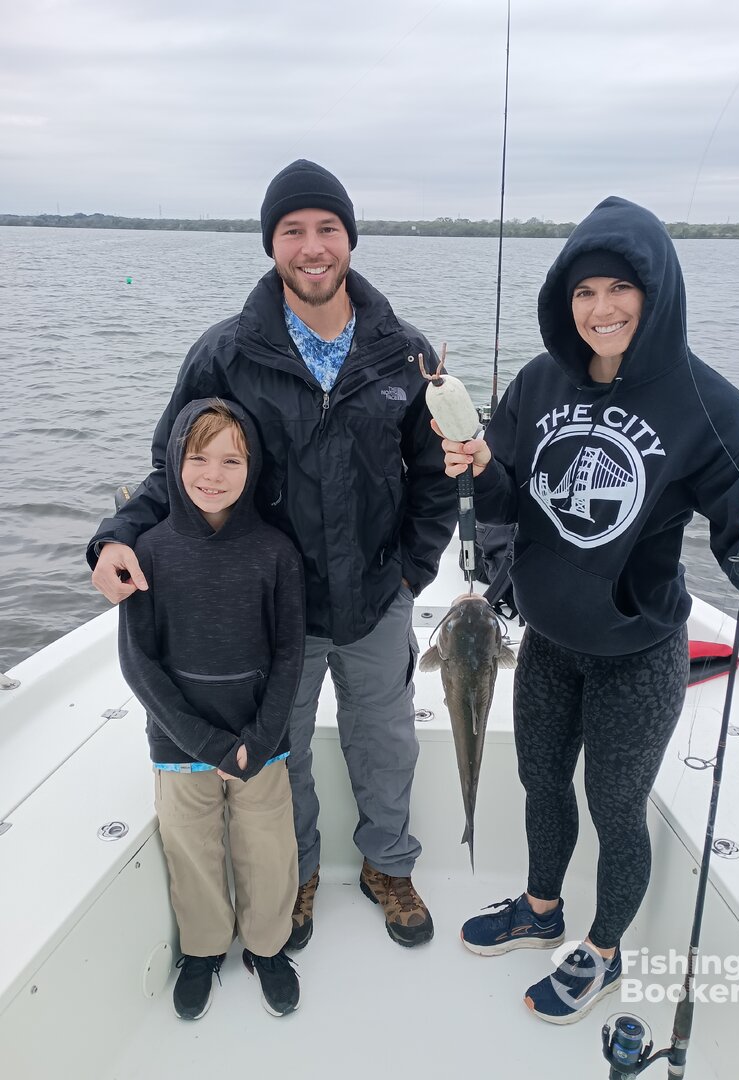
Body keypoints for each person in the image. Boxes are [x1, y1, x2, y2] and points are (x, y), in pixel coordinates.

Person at [434, 195, 739, 1024]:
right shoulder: (539, 382)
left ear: (654, 292)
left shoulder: (706, 403)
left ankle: (603, 953)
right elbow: (507, 499)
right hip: (545, 641)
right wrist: (479, 465)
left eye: (618, 288)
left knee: (614, 807)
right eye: (583, 292)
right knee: (540, 782)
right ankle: (540, 910)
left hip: (636, 652)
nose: (599, 308)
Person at [89, 160, 457, 951]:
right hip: (268, 611)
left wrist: (411, 572)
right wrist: (116, 536)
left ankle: (388, 864)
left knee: (385, 739)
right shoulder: (223, 353)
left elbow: (437, 476)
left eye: (327, 228)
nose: (311, 246)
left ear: (350, 239)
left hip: (376, 596)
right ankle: (301, 871)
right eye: (293, 231)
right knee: (279, 751)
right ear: (271, 244)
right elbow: (173, 470)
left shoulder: (406, 352)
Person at [118, 398, 305, 1020]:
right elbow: (138, 663)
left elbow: (289, 653)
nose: (213, 474)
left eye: (232, 460)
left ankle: (268, 947)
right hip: (181, 746)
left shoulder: (276, 551)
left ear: (253, 467)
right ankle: (202, 950)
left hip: (260, 743)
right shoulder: (148, 550)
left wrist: (260, 737)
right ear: (175, 460)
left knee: (269, 851)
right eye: (199, 458)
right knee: (191, 852)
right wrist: (206, 744)